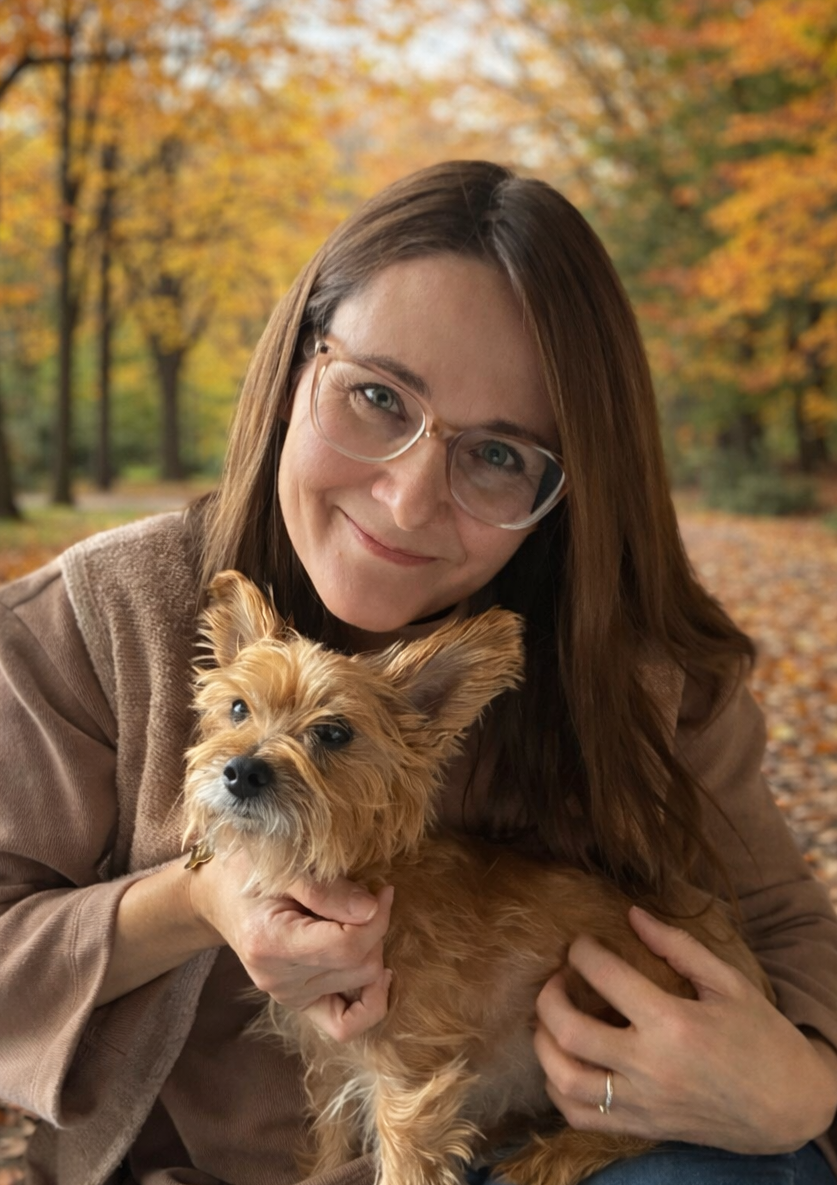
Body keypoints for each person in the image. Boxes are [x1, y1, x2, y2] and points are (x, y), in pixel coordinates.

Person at [1, 159, 836, 1185]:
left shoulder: (640, 667)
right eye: (376, 396)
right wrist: (197, 902)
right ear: (296, 360)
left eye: (498, 455)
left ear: (566, 487)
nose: (406, 500)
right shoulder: (91, 621)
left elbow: (787, 926)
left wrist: (802, 1085)